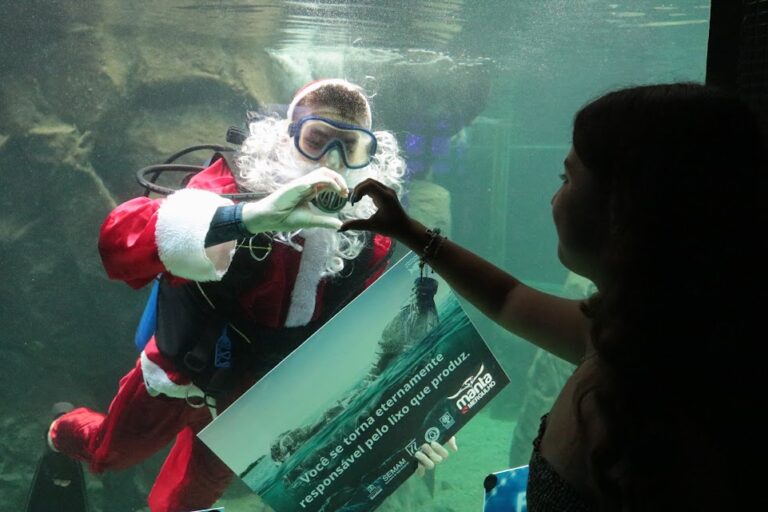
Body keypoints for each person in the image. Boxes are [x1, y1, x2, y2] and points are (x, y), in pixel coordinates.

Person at [341, 83, 766, 511]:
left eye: (568, 179)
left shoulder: (675, 413)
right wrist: (408, 231)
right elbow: (509, 298)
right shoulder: (646, 335)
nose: (553, 197)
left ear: (628, 209)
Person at [45, 79, 451, 512]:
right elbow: (117, 243)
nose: (331, 162)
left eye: (348, 147)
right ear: (287, 137)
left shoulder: (371, 236)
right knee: (107, 455)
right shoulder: (234, 181)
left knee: (183, 503)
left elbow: (366, 344)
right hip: (176, 372)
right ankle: (61, 428)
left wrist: (411, 427)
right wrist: (246, 217)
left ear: (369, 154)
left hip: (246, 408)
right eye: (316, 141)